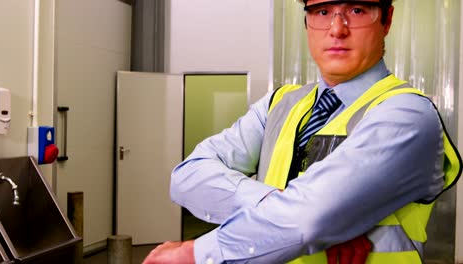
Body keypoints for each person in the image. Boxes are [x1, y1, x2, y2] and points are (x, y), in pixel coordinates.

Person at [144, 0, 462, 263]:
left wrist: (194, 253)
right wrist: (293, 208)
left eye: (357, 11)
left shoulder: (407, 115)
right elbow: (187, 176)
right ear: (307, 22)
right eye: (323, 11)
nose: (337, 29)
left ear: (387, 19)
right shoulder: (280, 103)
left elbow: (308, 219)